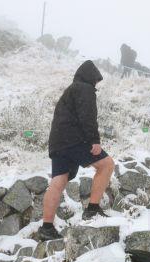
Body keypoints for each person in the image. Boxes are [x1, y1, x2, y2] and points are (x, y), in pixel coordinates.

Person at [38, 60, 115, 241]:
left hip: (58, 142)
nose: (96, 84)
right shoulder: (84, 89)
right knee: (106, 165)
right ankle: (92, 210)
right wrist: (95, 141)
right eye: (96, 80)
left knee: (58, 181)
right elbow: (87, 116)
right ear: (91, 77)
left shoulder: (70, 90)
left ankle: (46, 227)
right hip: (74, 139)